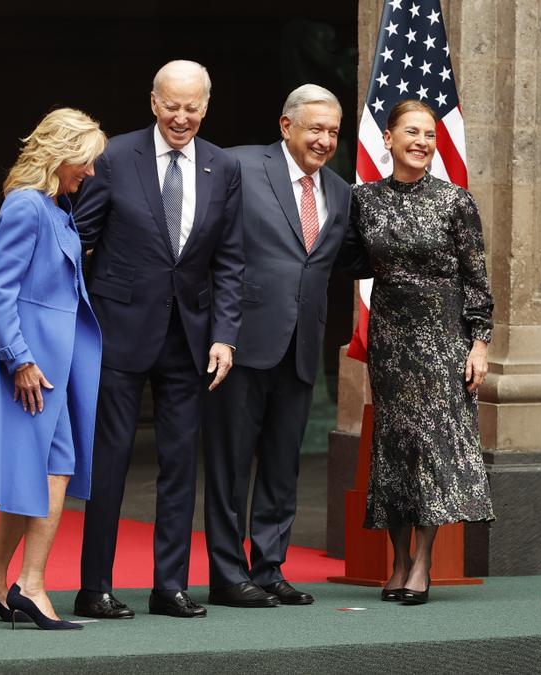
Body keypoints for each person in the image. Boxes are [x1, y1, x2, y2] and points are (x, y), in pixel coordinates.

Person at [73, 60, 244, 620]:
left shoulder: (223, 166)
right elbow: (80, 242)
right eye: (172, 105)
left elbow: (229, 260)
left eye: (193, 106)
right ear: (153, 102)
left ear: (206, 107)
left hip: (189, 340)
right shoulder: (116, 157)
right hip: (119, 333)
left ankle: (169, 586)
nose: (182, 116)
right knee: (111, 461)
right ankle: (94, 586)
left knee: (179, 465)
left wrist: (225, 335)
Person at [201, 84, 352, 608]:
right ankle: (227, 574)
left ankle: (269, 569)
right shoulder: (238, 166)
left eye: (333, 131)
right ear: (286, 126)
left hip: (301, 346)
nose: (325, 140)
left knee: (283, 466)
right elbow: (204, 242)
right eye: (315, 128)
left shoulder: (339, 190)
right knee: (230, 465)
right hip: (240, 344)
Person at [342, 99, 495, 605]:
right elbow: (347, 259)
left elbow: (477, 277)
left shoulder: (456, 202)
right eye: (411, 132)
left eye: (429, 135)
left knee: (430, 448)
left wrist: (479, 343)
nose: (422, 142)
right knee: (396, 449)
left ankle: (422, 563)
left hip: (443, 340)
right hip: (390, 340)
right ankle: (399, 561)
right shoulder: (364, 200)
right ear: (387, 139)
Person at [0, 107, 106, 630]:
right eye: (85, 161)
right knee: (55, 466)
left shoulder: (55, 205)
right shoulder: (26, 205)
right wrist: (19, 359)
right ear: (60, 152)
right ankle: (32, 584)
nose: (89, 173)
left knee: (47, 466)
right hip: (28, 356)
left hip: (52, 355)